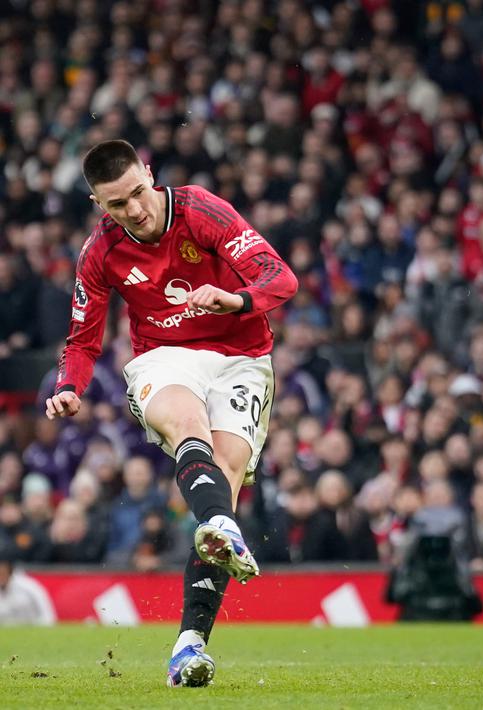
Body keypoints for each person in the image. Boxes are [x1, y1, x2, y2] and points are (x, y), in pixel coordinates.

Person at [44, 140, 297, 687]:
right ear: (98, 204)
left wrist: (236, 300)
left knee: (226, 471)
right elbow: (82, 342)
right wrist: (69, 387)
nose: (134, 210)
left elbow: (281, 278)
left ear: (149, 175)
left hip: (243, 358)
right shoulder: (100, 252)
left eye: (138, 193)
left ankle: (188, 645)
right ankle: (221, 524)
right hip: (165, 358)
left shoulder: (203, 211)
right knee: (188, 426)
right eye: (117, 204)